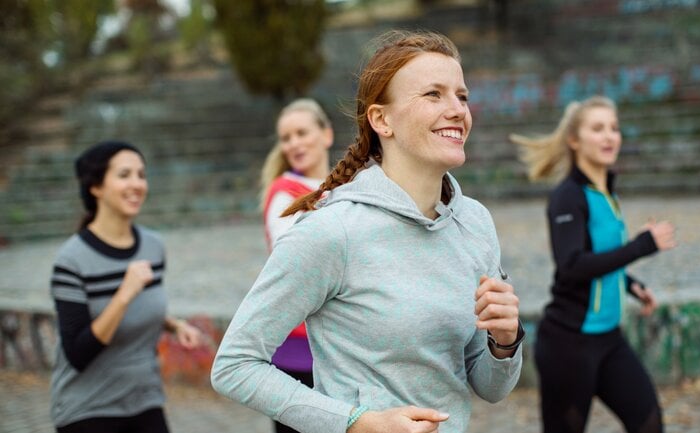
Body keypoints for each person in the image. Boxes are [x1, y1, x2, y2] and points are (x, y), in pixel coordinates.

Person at [212, 30, 525, 433]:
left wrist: (504, 342)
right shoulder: (332, 230)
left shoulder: (476, 222)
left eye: (461, 96)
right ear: (381, 120)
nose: (457, 110)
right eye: (433, 94)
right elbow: (233, 365)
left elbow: (490, 387)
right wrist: (357, 423)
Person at [510, 96, 676, 433]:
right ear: (574, 140)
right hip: (569, 345)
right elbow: (572, 265)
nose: (609, 136)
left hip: (610, 340)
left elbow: (599, 258)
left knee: (649, 424)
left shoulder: (607, 192)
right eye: (597, 128)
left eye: (614, 128)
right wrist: (642, 245)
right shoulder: (567, 196)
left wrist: (630, 285)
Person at [49, 141, 202, 433]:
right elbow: (78, 353)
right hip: (88, 408)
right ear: (96, 187)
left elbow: (142, 308)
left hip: (144, 400)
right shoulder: (72, 260)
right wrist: (124, 293)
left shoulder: (153, 247)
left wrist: (175, 325)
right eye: (124, 175)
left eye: (141, 175)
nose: (137, 184)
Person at [259, 98, 334, 433]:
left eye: (302, 133)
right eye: (286, 137)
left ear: (326, 135)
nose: (294, 144)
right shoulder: (285, 193)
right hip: (296, 347)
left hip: (337, 344)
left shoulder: (347, 187)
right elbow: (291, 262)